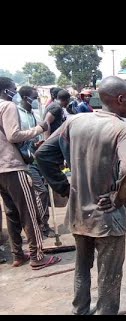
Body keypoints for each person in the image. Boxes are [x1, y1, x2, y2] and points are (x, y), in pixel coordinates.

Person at [35, 76, 126, 315]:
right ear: (120, 99)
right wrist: (117, 199)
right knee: (109, 272)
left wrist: (64, 189)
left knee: (82, 267)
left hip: (79, 214)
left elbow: (42, 155)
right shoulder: (123, 131)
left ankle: (79, 310)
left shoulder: (75, 121)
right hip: (107, 219)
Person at [0, 77, 61, 269]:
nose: (15, 91)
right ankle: (37, 256)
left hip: (1, 168)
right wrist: (39, 129)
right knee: (29, 212)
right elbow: (13, 135)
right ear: (6, 90)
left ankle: (18, 255)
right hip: (13, 166)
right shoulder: (8, 106)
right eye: (13, 89)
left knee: (11, 213)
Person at [17, 86, 55, 238]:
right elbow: (17, 137)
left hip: (36, 156)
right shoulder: (17, 114)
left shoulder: (34, 113)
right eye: (33, 96)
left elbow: (37, 135)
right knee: (41, 191)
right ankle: (41, 225)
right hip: (24, 159)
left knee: (43, 191)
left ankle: (43, 223)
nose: (35, 99)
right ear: (25, 97)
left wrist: (38, 143)